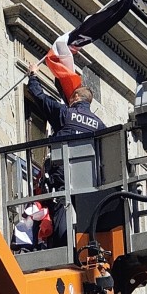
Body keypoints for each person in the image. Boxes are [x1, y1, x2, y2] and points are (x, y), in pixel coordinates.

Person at [27, 63, 106, 247]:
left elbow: (41, 99)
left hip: (63, 173)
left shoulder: (65, 114)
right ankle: (87, 245)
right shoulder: (100, 125)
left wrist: (33, 76)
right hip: (88, 179)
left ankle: (64, 246)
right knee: (83, 211)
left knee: (63, 204)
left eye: (71, 97)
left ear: (77, 97)